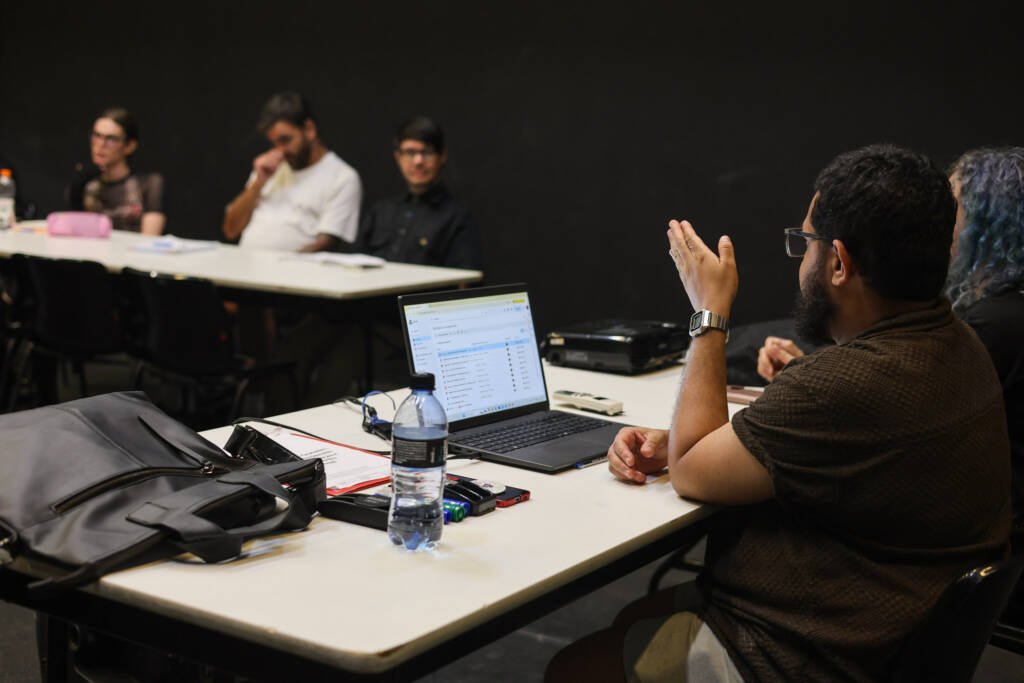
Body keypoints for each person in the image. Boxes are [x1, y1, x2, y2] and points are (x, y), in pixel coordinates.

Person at [546, 145, 1012, 682]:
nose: (802, 259)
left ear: (838, 262)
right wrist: (690, 444)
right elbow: (812, 435)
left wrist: (709, 313)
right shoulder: (959, 342)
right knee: (637, 616)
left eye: (805, 242)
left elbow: (694, 469)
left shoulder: (844, 384)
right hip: (888, 632)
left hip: (807, 656)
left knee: (575, 669)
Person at [945, 147, 1024, 526]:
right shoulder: (1004, 309)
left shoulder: (995, 321)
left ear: (989, 221)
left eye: (952, 209)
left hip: (992, 520)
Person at [222, 92, 361, 252]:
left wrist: (282, 265)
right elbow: (230, 230)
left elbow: (325, 245)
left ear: (309, 129)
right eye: (274, 143)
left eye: (285, 140)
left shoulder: (342, 177)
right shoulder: (269, 168)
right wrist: (257, 184)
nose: (280, 151)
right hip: (244, 268)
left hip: (296, 273)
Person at [357, 116, 481, 269]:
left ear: (442, 156)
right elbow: (355, 265)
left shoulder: (456, 218)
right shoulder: (380, 212)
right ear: (398, 157)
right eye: (410, 152)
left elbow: (465, 281)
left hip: (427, 293)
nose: (418, 161)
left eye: (427, 152)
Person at [68, 107, 165, 235]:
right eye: (96, 135)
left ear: (129, 146)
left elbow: (150, 239)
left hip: (134, 253)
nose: (101, 144)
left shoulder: (148, 183)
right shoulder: (86, 185)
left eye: (111, 139)